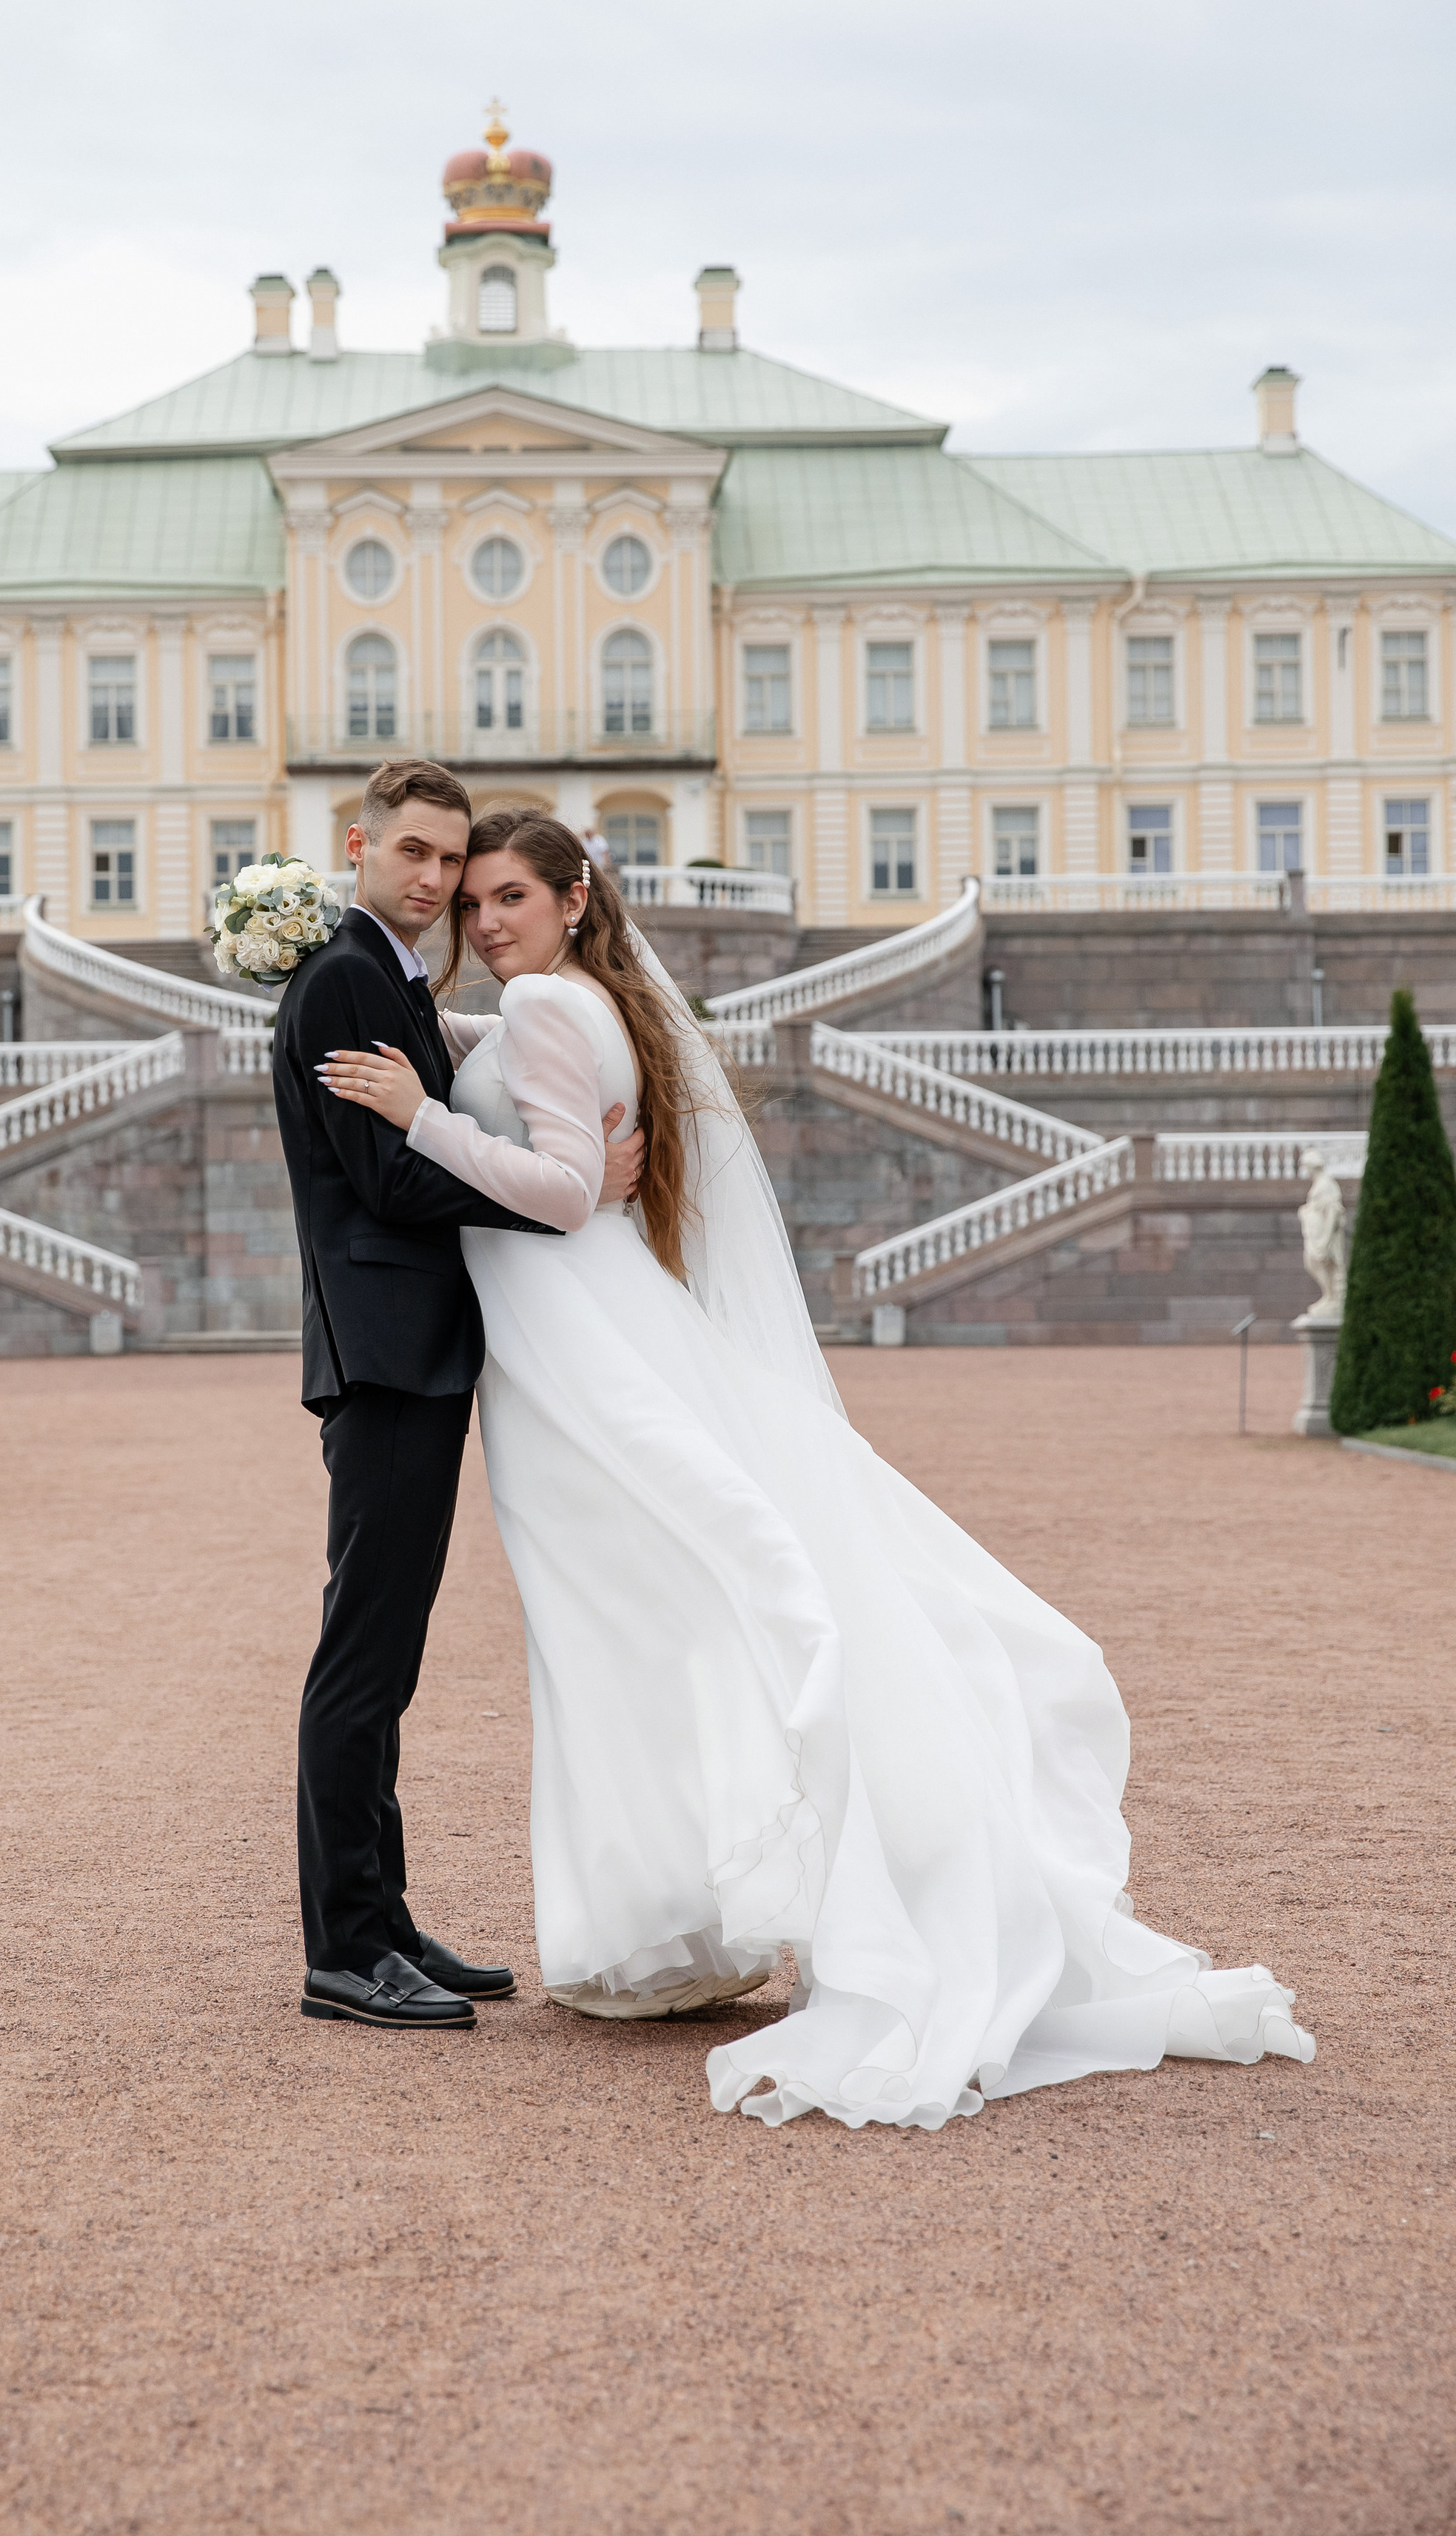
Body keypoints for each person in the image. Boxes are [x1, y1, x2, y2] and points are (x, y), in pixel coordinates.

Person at [318, 811, 1315, 2131]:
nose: (483, 920)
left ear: (572, 901)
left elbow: (561, 1193)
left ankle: (667, 1928)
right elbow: (494, 1067)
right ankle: (668, 1929)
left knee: (664, 1606)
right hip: (581, 1337)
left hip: (581, 1350)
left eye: (509, 898)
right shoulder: (563, 1005)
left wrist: (417, 1120)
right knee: (640, 1621)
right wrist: (348, 984)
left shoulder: (554, 1008)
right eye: (472, 899)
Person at [272, 762, 644, 2033]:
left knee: (388, 1658)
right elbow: (389, 1182)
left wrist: (558, 1161)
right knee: (361, 1662)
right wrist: (565, 1191)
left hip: (417, 1352)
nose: (436, 882)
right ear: (360, 845)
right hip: (383, 1357)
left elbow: (454, 1079)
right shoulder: (342, 978)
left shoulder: (391, 978)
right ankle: (345, 1949)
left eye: (454, 863)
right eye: (416, 855)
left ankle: (383, 1919)